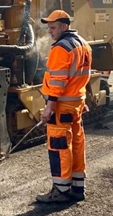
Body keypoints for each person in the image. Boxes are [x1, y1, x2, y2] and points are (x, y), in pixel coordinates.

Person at [36, 10, 93, 205]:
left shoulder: (61, 48)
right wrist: (83, 100)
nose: (50, 32)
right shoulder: (83, 45)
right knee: (76, 143)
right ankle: (77, 188)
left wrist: (49, 108)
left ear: (64, 26)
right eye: (49, 28)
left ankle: (60, 190)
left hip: (61, 106)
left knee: (59, 146)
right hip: (76, 104)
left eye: (53, 28)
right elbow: (83, 77)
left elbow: (58, 81)